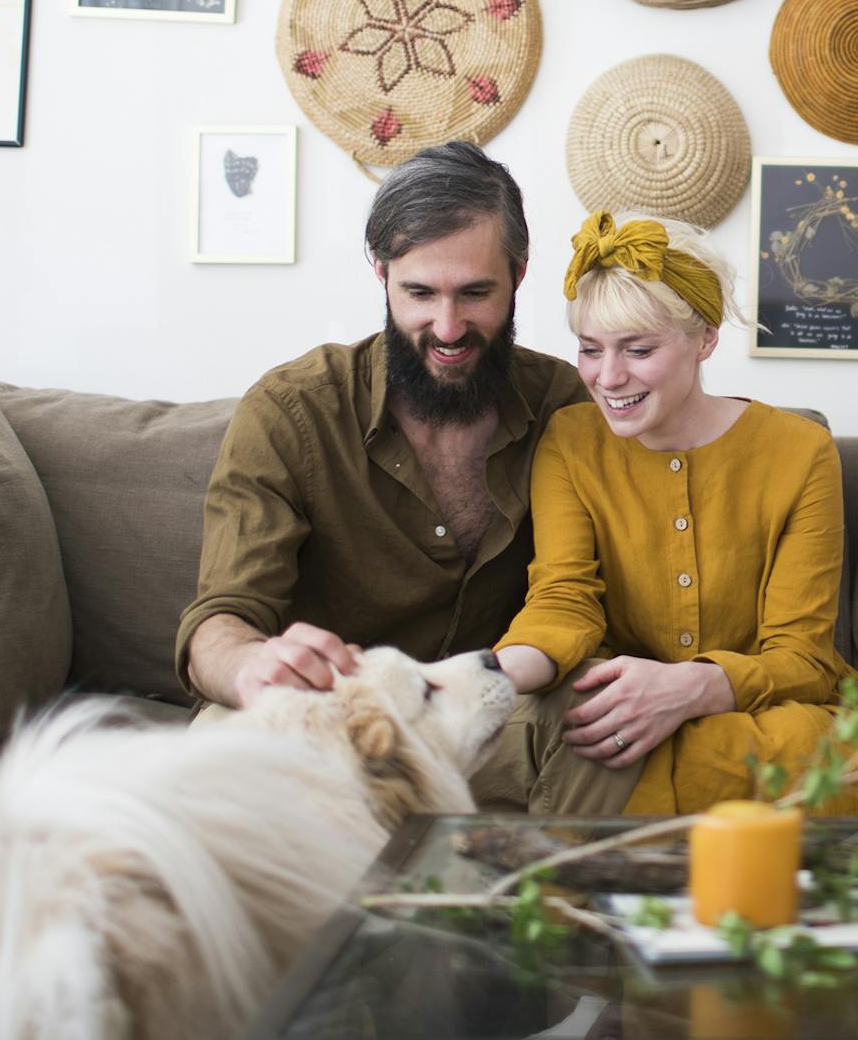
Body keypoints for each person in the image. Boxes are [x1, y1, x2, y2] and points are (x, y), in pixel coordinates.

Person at [177, 143, 630, 814]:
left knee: (607, 719)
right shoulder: (291, 411)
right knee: (216, 749)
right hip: (336, 728)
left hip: (488, 722)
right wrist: (249, 666)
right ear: (380, 273)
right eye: (419, 293)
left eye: (476, 293)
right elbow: (220, 621)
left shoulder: (566, 405)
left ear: (520, 274)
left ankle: (552, 911)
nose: (447, 328)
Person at [492, 212, 858, 818]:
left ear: (706, 339)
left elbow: (800, 657)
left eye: (638, 350)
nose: (608, 378)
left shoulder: (799, 451)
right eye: (590, 349)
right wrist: (492, 678)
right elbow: (563, 598)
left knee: (809, 747)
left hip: (760, 713)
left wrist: (689, 690)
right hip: (612, 702)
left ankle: (588, 838)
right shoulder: (571, 439)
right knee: (575, 715)